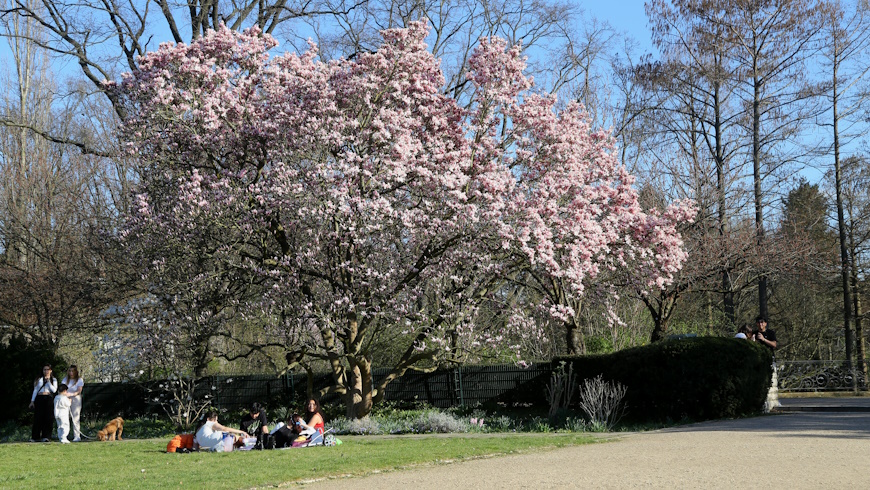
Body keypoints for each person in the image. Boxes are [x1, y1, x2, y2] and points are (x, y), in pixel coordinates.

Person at [29, 364, 57, 442]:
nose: (46, 371)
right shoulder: (39, 379)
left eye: (47, 369)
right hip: (39, 398)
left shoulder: (53, 380)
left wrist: (48, 382)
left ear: (50, 371)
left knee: (48, 417)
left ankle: (46, 436)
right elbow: (35, 390)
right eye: (44, 369)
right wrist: (32, 401)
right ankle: (35, 437)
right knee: (38, 417)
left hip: (48, 398)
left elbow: (54, 390)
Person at [61, 365, 84, 442]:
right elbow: (62, 389)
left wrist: (71, 394)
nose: (71, 373)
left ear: (76, 372)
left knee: (75, 417)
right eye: (70, 371)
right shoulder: (65, 379)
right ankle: (64, 435)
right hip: (66, 398)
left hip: (76, 399)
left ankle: (77, 436)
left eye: (73, 371)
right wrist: (66, 395)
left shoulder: (79, 380)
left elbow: (79, 391)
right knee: (65, 417)